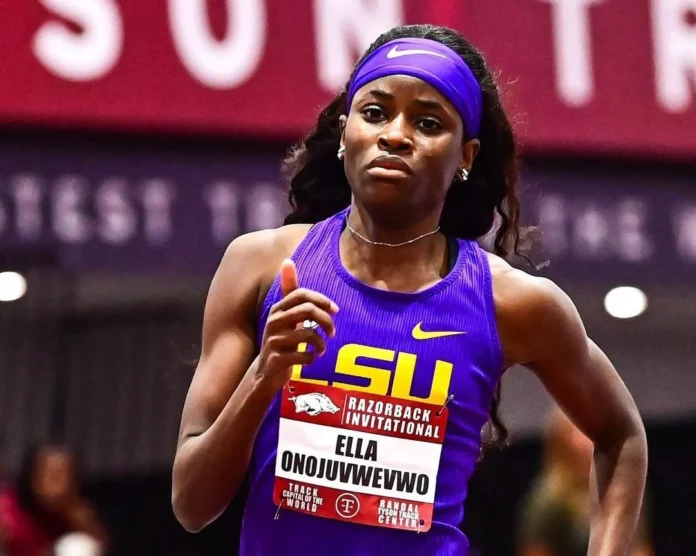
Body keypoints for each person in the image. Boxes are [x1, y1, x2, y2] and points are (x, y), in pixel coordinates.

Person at [172, 24, 648, 555]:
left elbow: (621, 436)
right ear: (345, 131)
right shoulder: (260, 267)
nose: (396, 135)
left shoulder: (511, 302)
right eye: (375, 112)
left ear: (466, 155)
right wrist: (264, 375)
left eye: (427, 123)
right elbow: (192, 505)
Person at [517, 407, 653, 556]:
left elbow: (639, 548)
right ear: (562, 441)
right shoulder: (548, 502)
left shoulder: (625, 486)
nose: (589, 440)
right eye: (580, 431)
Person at [0, 445, 107, 556]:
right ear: (33, 476)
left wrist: (77, 517)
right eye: (52, 476)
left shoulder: (77, 511)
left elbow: (100, 546)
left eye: (67, 477)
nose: (61, 485)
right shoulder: (7, 507)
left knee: (77, 545)